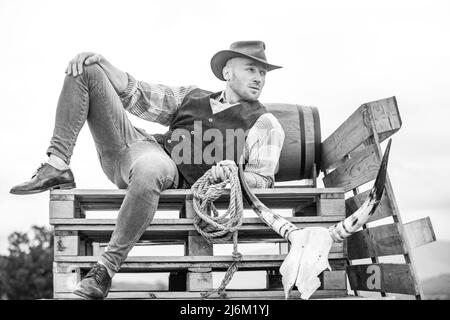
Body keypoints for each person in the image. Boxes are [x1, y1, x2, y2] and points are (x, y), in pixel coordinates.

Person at [10, 40, 285, 299]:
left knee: (151, 168)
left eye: (262, 72)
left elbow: (261, 180)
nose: (258, 78)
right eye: (251, 69)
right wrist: (103, 62)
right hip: (137, 147)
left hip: (167, 173)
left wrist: (234, 173)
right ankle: (57, 164)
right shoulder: (191, 96)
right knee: (87, 67)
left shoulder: (264, 122)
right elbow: (137, 95)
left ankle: (104, 269)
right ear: (227, 71)